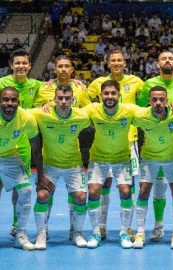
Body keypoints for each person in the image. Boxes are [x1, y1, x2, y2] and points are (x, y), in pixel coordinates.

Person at [137, 51, 173, 242]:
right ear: (157, 63)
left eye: (171, 58)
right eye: (163, 58)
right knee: (158, 188)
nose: (167, 61)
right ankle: (158, 226)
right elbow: (139, 108)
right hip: (155, 144)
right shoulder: (149, 85)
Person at [87, 49, 144, 241]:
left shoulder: (136, 81)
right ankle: (100, 227)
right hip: (104, 139)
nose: (117, 63)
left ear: (125, 63)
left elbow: (148, 101)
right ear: (108, 63)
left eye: (120, 60)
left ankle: (127, 228)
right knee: (103, 185)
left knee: (128, 187)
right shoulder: (97, 83)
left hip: (129, 139)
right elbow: (82, 99)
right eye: (113, 60)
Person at [34, 54, 91, 240]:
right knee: (44, 194)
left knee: (79, 196)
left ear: (72, 69)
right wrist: (45, 106)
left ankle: (76, 232)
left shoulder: (81, 89)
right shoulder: (44, 89)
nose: (64, 69)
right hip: (49, 155)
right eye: (60, 66)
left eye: (67, 66)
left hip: (72, 158)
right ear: (55, 68)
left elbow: (92, 110)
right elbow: (30, 112)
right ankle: (42, 233)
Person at [84, 80, 137, 249]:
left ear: (119, 95)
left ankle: (124, 231)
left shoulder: (128, 110)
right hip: (98, 158)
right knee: (93, 192)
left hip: (122, 159)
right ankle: (96, 231)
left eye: (113, 93)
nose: (109, 96)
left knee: (126, 191)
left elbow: (150, 112)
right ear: (101, 96)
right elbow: (71, 112)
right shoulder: (93, 109)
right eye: (106, 93)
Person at [132, 86, 173, 249]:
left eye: (162, 99)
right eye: (154, 99)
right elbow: (122, 108)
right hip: (149, 159)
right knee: (143, 191)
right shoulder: (141, 115)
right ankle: (140, 232)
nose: (158, 102)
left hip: (171, 158)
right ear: (149, 101)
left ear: (167, 101)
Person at [0, 49, 43, 238]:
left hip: (23, 141)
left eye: (24, 63)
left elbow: (56, 89)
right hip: (4, 135)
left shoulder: (36, 85)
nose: (21, 66)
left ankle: (17, 224)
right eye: (17, 63)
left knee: (20, 186)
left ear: (30, 66)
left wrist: (74, 82)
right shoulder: (2, 83)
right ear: (11, 65)